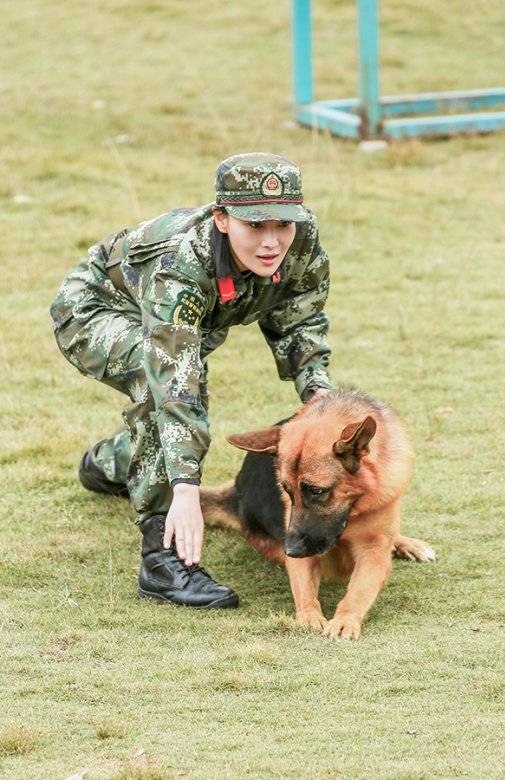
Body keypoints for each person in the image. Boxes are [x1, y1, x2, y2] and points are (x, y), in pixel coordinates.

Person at [50, 152, 333, 609]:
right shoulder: (180, 264)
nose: (272, 241)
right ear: (222, 218)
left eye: (282, 224)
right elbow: (174, 385)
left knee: (172, 390)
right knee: (162, 383)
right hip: (95, 311)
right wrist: (186, 489)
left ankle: (111, 463)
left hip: (190, 322)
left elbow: (300, 317)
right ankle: (162, 562)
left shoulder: (300, 240)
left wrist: (319, 395)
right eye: (255, 226)